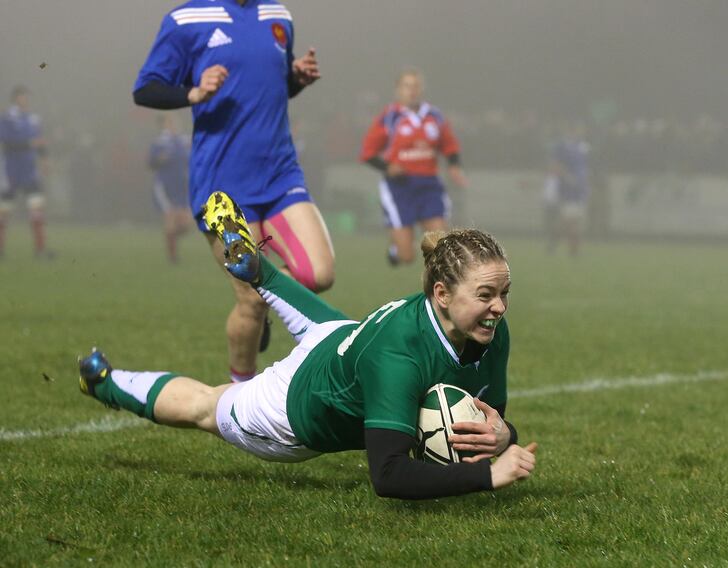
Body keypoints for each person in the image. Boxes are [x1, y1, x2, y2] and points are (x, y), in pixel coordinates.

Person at [78, 192, 537, 500]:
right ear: (441, 294)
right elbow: (389, 474)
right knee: (205, 405)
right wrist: (487, 475)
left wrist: (505, 434)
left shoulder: (489, 330)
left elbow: (488, 417)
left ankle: (259, 270)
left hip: (341, 337)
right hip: (298, 403)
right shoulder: (399, 355)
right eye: (485, 295)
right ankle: (102, 381)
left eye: (504, 292)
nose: (499, 307)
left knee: (324, 322)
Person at [133, 0, 335, 381]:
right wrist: (192, 93)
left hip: (280, 173)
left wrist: (295, 78)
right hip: (221, 186)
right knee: (250, 301)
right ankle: (240, 393)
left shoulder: (278, 15)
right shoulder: (186, 19)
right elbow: (146, 89)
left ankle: (269, 297)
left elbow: (270, 85)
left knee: (320, 273)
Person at [360, 68, 468, 267]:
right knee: (406, 256)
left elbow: (449, 144)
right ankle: (396, 247)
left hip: (429, 185)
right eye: (407, 86)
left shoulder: (434, 116)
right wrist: (388, 167)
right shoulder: (390, 117)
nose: (412, 90)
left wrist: (454, 166)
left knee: (441, 246)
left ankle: (437, 288)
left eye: (416, 86)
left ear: (422, 89)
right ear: (398, 90)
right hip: (399, 187)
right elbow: (367, 152)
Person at [0, 86, 52, 259]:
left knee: (37, 208)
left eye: (27, 96)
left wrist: (44, 160)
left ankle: (40, 250)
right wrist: (31, 144)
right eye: (22, 96)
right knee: (4, 211)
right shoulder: (8, 118)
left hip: (30, 171)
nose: (25, 99)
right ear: (15, 98)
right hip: (12, 170)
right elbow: (7, 144)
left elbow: (40, 142)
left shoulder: (33, 119)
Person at [148, 114, 193, 264]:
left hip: (182, 187)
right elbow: (151, 163)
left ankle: (170, 238)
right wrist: (161, 158)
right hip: (165, 187)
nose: (174, 124)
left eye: (175, 121)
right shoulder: (160, 143)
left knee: (186, 225)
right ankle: (173, 258)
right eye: (170, 122)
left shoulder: (184, 141)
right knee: (170, 217)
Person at [549, 121, 591, 256]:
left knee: (572, 221)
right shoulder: (561, 146)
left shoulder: (583, 146)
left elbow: (585, 166)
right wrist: (567, 177)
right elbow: (555, 165)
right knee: (570, 221)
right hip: (568, 189)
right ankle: (573, 251)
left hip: (580, 189)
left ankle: (555, 245)